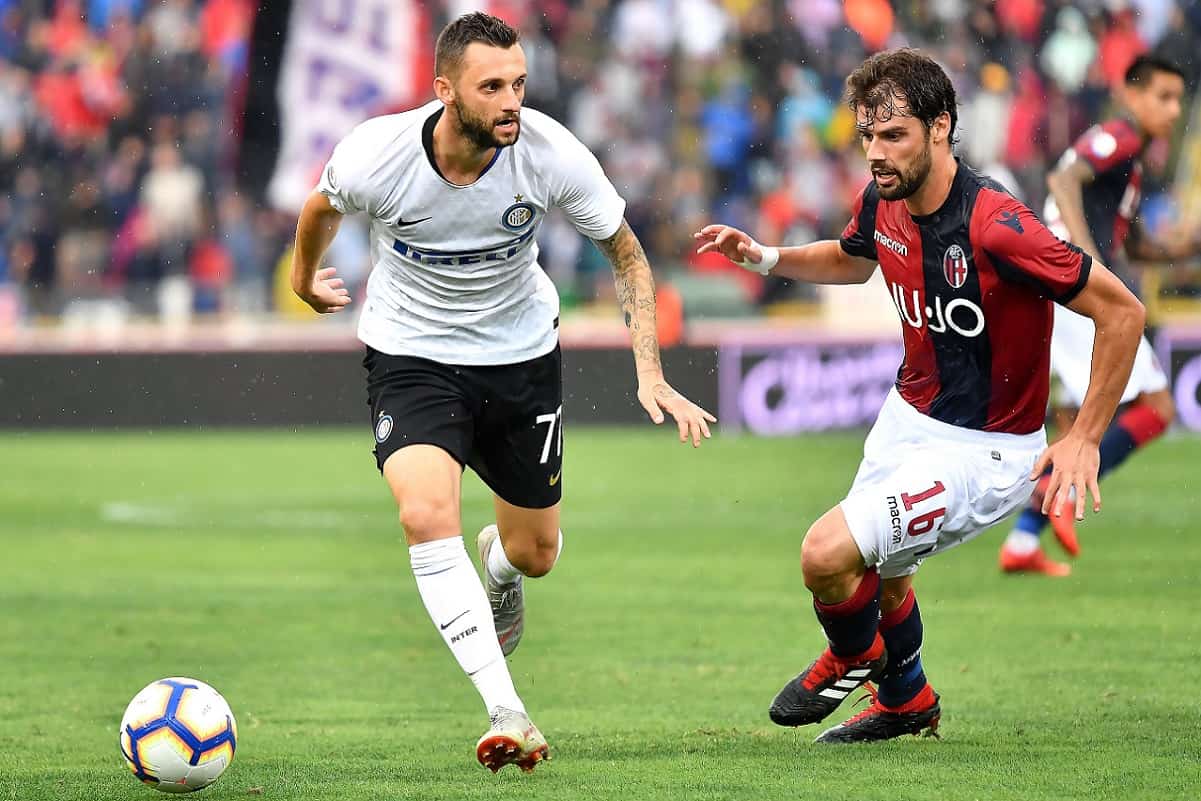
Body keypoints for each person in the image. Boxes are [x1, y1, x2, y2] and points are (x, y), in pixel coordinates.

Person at [290, 12, 714, 773]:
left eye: (518, 83)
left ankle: (500, 569)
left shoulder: (550, 154)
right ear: (445, 90)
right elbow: (320, 207)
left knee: (535, 551)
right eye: (491, 87)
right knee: (424, 513)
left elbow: (627, 256)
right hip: (411, 355)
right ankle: (506, 710)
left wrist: (649, 371)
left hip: (520, 359)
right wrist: (302, 279)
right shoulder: (376, 154)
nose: (512, 101)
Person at [694, 49, 1144, 743]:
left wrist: (1083, 435)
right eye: (867, 135)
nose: (876, 152)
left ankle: (856, 655)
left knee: (825, 555)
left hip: (985, 452)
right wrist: (767, 257)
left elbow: (1121, 312)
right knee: (884, 578)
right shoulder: (885, 197)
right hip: (906, 419)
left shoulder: (997, 225)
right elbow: (854, 258)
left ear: (940, 128)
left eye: (893, 135)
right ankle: (907, 700)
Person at [999, 54, 1199, 576]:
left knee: (1091, 415)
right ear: (1131, 95)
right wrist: (1087, 264)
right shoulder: (1119, 136)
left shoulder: (1130, 163)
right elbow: (1063, 179)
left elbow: (1134, 244)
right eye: (1162, 97)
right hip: (1075, 287)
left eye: (1178, 100)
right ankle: (1060, 496)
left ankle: (1023, 539)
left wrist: (1188, 247)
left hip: (1065, 285)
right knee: (1155, 407)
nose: (1172, 110)